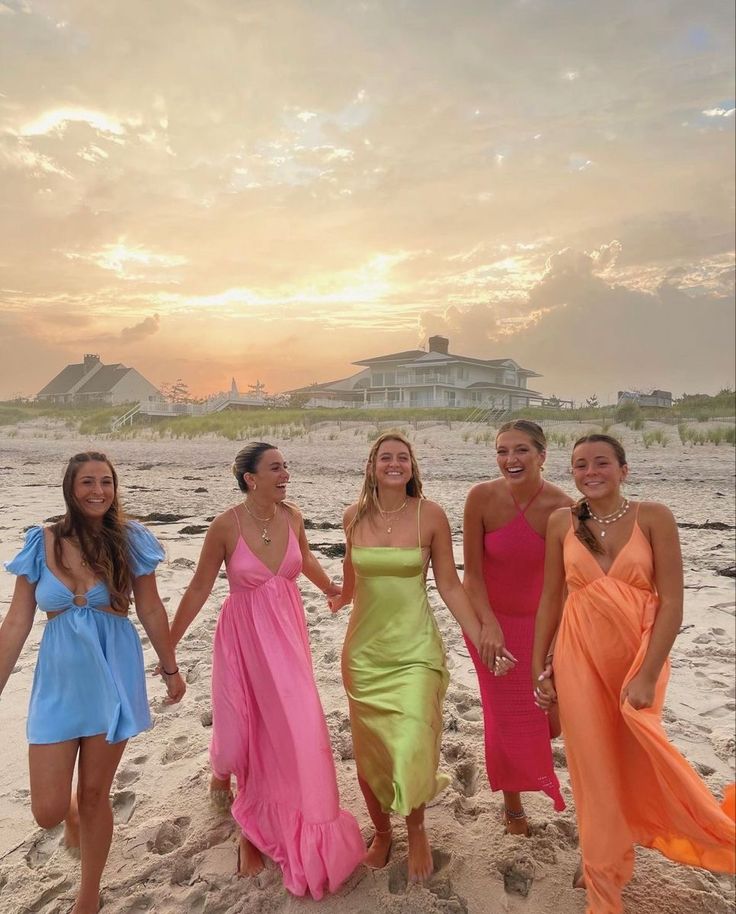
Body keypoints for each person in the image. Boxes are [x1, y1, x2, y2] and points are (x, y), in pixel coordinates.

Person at [532, 434, 735, 914]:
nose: (590, 471)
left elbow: (672, 604)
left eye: (601, 462)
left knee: (640, 754)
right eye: (580, 465)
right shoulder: (561, 522)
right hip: (577, 654)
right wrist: (541, 668)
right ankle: (603, 872)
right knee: (592, 765)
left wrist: (646, 673)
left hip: (638, 656)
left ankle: (695, 830)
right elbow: (550, 599)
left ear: (624, 469)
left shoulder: (655, 517)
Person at [168, 441, 364, 899]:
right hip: (245, 640)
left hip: (290, 638)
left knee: (299, 726)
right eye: (276, 468)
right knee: (249, 726)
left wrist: (332, 588)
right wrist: (169, 642)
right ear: (250, 478)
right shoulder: (224, 526)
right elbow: (198, 588)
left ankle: (290, 812)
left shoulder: (292, 516)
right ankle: (248, 825)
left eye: (287, 466)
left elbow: (307, 558)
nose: (286, 474)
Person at [0, 451, 186, 914]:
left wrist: (169, 667)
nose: (98, 491)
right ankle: (68, 816)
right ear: (70, 488)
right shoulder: (39, 543)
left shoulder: (131, 540)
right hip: (59, 682)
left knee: (94, 793)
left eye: (106, 482)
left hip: (113, 677)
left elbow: (150, 609)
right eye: (87, 482)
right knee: (47, 809)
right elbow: (16, 624)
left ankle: (89, 895)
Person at [330, 432, 485, 882]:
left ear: (412, 467)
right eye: (386, 457)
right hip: (364, 653)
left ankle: (415, 827)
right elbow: (352, 578)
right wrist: (340, 597)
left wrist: (476, 634)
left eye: (403, 458)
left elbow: (450, 585)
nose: (394, 464)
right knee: (371, 748)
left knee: (413, 739)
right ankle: (382, 832)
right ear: (372, 466)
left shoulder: (430, 515)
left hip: (416, 648)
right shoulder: (352, 517)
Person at [462, 419, 572, 834]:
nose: (511, 459)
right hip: (490, 624)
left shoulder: (563, 507)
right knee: (505, 718)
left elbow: (564, 585)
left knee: (551, 720)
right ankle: (514, 810)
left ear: (542, 456)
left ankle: (532, 775)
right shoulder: (481, 498)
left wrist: (554, 641)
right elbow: (471, 575)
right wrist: (488, 626)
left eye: (521, 450)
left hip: (542, 625)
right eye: (502, 451)